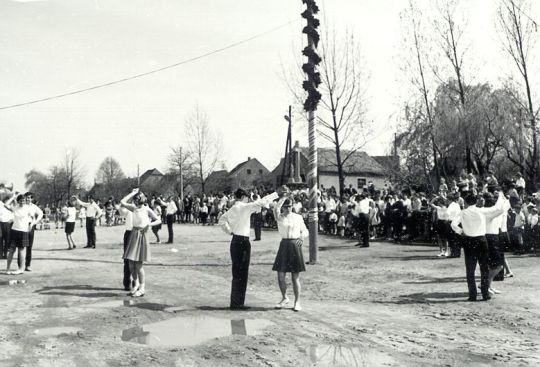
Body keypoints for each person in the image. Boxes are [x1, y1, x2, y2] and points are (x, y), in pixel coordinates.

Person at [218, 188, 273, 310]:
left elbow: (221, 220)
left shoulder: (233, 208)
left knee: (236, 272)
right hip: (243, 241)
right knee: (242, 273)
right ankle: (238, 303)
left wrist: (229, 231)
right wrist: (276, 194)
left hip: (235, 240)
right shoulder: (244, 207)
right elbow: (261, 203)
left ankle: (235, 302)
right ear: (243, 197)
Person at [451, 192, 504, 301]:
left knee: (470, 269)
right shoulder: (481, 211)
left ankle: (472, 295)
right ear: (476, 202)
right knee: (484, 267)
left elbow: (453, 224)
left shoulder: (463, 212)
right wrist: (500, 196)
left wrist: (461, 231)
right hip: (481, 240)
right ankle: (485, 294)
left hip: (469, 241)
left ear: (465, 202)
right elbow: (498, 209)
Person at [121, 188, 161, 297]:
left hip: (142, 235)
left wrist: (149, 225)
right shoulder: (134, 208)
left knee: (138, 265)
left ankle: (142, 288)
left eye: (139, 201)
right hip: (134, 234)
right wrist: (133, 192)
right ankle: (136, 284)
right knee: (131, 263)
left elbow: (158, 220)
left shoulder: (147, 209)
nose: (137, 203)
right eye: (136, 201)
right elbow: (122, 202)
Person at [272, 194, 308, 312]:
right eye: (286, 206)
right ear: (283, 207)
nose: (288, 208)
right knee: (280, 276)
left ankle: (297, 302)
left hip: (295, 246)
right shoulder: (279, 217)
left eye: (290, 206)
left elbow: (305, 230)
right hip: (284, 245)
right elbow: (276, 208)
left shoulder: (298, 217)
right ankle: (284, 298)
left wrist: (301, 237)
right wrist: (284, 197)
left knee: (295, 277)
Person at [5, 194, 35, 275]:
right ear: (18, 201)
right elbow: (6, 204)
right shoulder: (15, 208)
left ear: (25, 201)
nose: (22, 202)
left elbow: (33, 218)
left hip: (23, 231)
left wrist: (31, 224)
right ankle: (8, 269)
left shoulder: (28, 208)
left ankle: (21, 269)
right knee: (11, 250)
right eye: (20, 200)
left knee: (21, 250)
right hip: (14, 230)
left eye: (24, 200)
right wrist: (13, 197)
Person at [24, 192, 43, 271]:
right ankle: (20, 265)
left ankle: (27, 265)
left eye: (29, 198)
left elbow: (41, 213)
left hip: (30, 226)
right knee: (22, 247)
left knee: (29, 247)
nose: (28, 199)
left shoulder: (34, 207)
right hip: (22, 227)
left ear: (32, 199)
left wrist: (35, 222)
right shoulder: (22, 205)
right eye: (26, 197)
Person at [118, 202, 134, 291]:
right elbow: (121, 207)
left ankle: (136, 283)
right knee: (127, 259)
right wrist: (132, 193)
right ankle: (127, 283)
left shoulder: (143, 208)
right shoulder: (128, 210)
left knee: (137, 260)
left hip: (137, 233)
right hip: (129, 233)